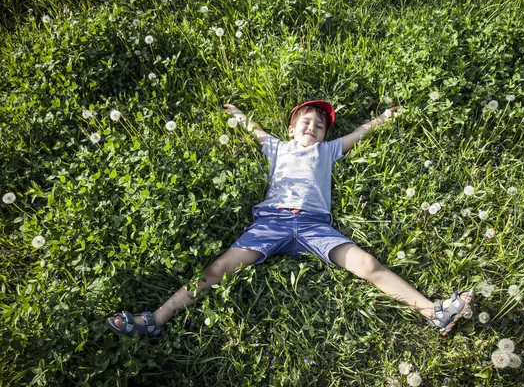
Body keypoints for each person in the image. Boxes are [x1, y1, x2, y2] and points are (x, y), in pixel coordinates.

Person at [107, 100, 473, 340]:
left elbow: (360, 134)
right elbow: (253, 129)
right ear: (293, 127)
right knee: (218, 268)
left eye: (319, 126)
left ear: (325, 135)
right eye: (306, 122)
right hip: (271, 223)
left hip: (316, 226)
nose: (312, 128)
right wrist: (236, 113)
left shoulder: (329, 151)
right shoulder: (277, 148)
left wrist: (382, 118)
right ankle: (155, 319)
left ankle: (432, 311)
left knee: (368, 264)